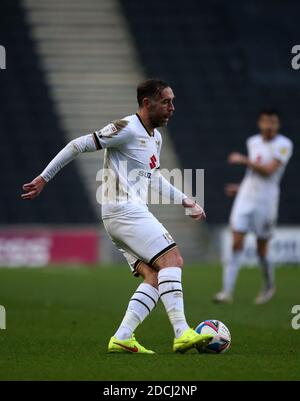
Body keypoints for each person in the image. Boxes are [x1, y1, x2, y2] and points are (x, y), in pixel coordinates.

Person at [22, 79, 213, 354]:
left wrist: (185, 200)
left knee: (155, 276)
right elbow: (77, 145)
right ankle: (182, 332)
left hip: (120, 215)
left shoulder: (155, 138)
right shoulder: (126, 128)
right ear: (147, 103)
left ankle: (123, 337)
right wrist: (44, 178)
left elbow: (154, 177)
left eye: (172, 101)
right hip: (124, 210)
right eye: (166, 102)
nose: (172, 108)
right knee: (173, 259)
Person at [214, 109, 293, 304]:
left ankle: (268, 285)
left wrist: (243, 160)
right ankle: (226, 291)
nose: (269, 126)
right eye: (265, 122)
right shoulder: (253, 142)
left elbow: (268, 171)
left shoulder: (284, 145)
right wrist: (240, 188)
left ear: (278, 124)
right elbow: (253, 174)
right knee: (236, 243)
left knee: (261, 249)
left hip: (266, 202)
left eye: (273, 122)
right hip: (245, 198)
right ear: (259, 123)